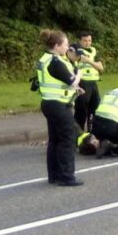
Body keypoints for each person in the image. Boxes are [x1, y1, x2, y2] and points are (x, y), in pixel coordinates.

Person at [36, 29, 83, 186]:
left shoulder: (45, 59)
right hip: (59, 105)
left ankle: (54, 175)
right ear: (57, 45)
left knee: (54, 140)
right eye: (65, 44)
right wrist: (80, 74)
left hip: (48, 103)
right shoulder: (56, 62)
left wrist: (74, 89)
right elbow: (72, 81)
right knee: (67, 140)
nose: (67, 47)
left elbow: (57, 81)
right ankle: (66, 176)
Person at [71, 31, 104, 131]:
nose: (87, 43)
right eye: (85, 41)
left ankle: (92, 132)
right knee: (81, 111)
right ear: (80, 41)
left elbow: (101, 67)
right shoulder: (75, 50)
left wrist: (89, 61)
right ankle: (78, 134)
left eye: (89, 40)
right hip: (82, 82)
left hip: (93, 83)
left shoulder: (94, 51)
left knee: (95, 109)